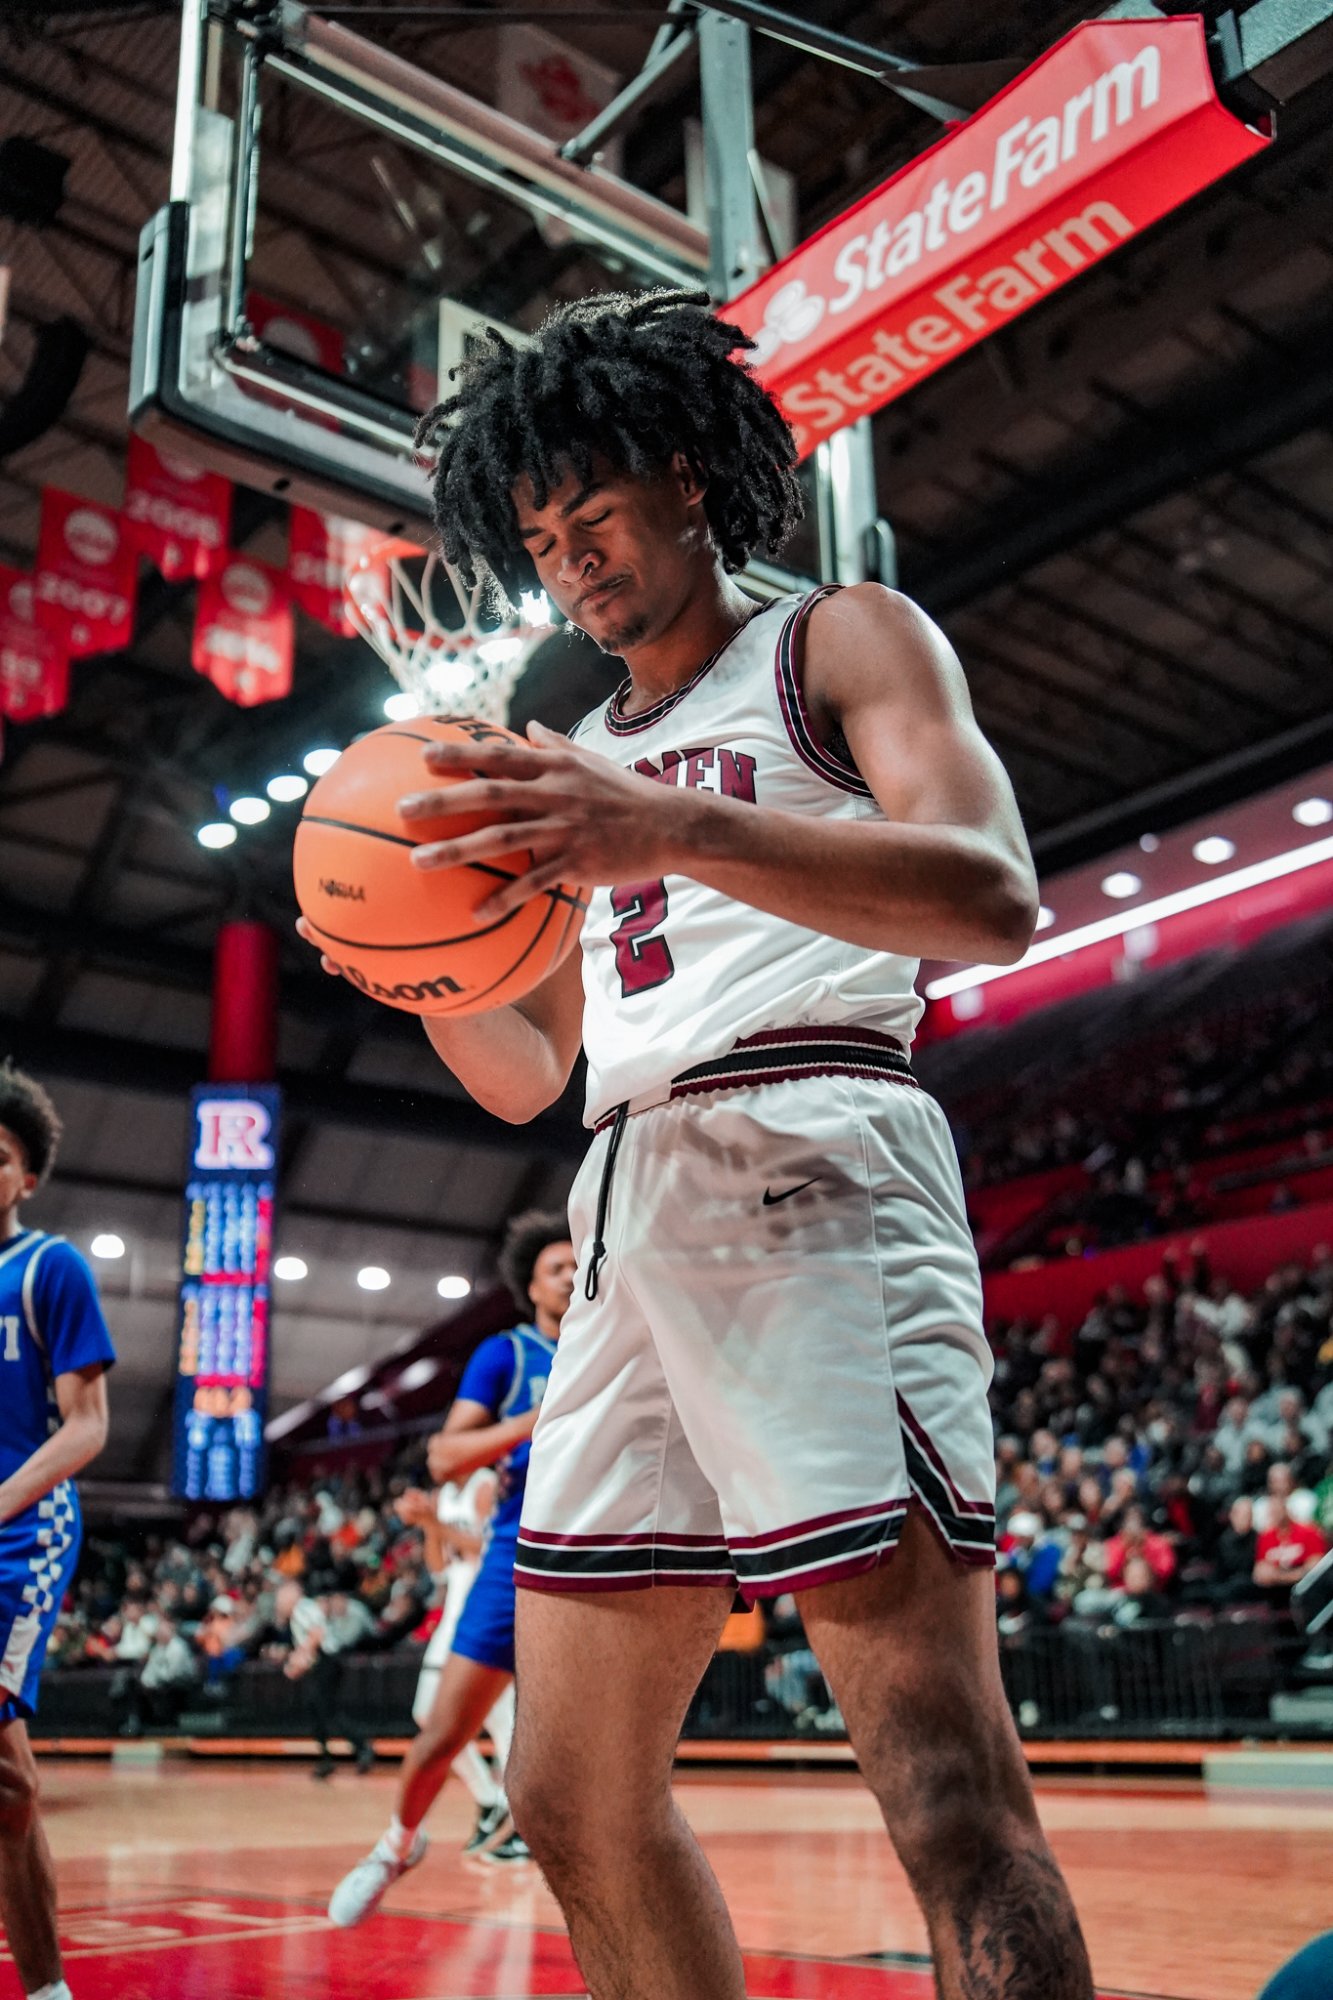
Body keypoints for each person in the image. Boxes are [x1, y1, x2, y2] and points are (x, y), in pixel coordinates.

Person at [303, 292, 1090, 1997]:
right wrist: (409, 963)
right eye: (538, 542)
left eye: (592, 520)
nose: (569, 566)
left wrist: (662, 828)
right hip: (626, 1198)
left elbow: (991, 892)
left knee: (941, 1783)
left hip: (818, 1153)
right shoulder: (575, 758)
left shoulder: (842, 642)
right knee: (569, 1793)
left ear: (683, 477)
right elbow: (532, 1077)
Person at [327, 1212, 576, 1922]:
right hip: (515, 1549)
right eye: (555, 1266)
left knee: (587, 1757)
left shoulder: (615, 1340)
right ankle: (397, 1844)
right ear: (530, 1285)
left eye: (576, 1263)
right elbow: (443, 1458)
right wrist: (538, 1418)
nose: (570, 1274)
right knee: (442, 1730)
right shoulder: (509, 1354)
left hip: (597, 1545)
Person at [0, 1062, 115, 2000]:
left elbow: (88, 1425)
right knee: (7, 1786)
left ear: (25, 1177)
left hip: (20, 1534)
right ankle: (46, 1989)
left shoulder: (49, 1269)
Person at [398, 1468, 515, 1854]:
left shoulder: (484, 1484)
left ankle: (516, 1816)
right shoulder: (446, 1493)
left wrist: (435, 1522)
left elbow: (487, 1549)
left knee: (503, 1723)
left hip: (487, 1604)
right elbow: (438, 1565)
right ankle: (490, 1799)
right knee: (428, 1715)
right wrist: (430, 1526)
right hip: (456, 1607)